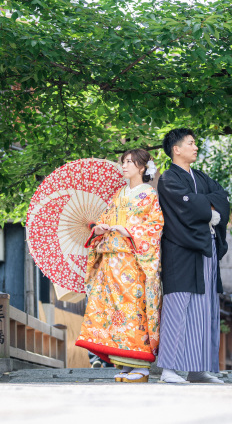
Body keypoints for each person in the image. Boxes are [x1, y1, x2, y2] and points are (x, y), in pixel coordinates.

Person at [75, 149, 163, 383]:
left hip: (133, 261)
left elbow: (155, 226)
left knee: (134, 309)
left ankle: (141, 366)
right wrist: (100, 228)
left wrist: (130, 231)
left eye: (129, 162)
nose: (124, 165)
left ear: (142, 167)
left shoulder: (149, 195)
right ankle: (124, 363)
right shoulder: (119, 194)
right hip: (112, 261)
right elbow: (105, 219)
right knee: (115, 312)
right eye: (123, 162)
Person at [156, 129, 229, 384]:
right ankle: (168, 369)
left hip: (205, 249)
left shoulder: (199, 177)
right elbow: (185, 208)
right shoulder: (168, 178)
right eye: (191, 143)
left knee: (204, 307)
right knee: (178, 306)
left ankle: (198, 369)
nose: (195, 147)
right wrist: (208, 213)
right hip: (180, 250)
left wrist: (207, 207)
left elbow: (221, 197)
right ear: (176, 149)